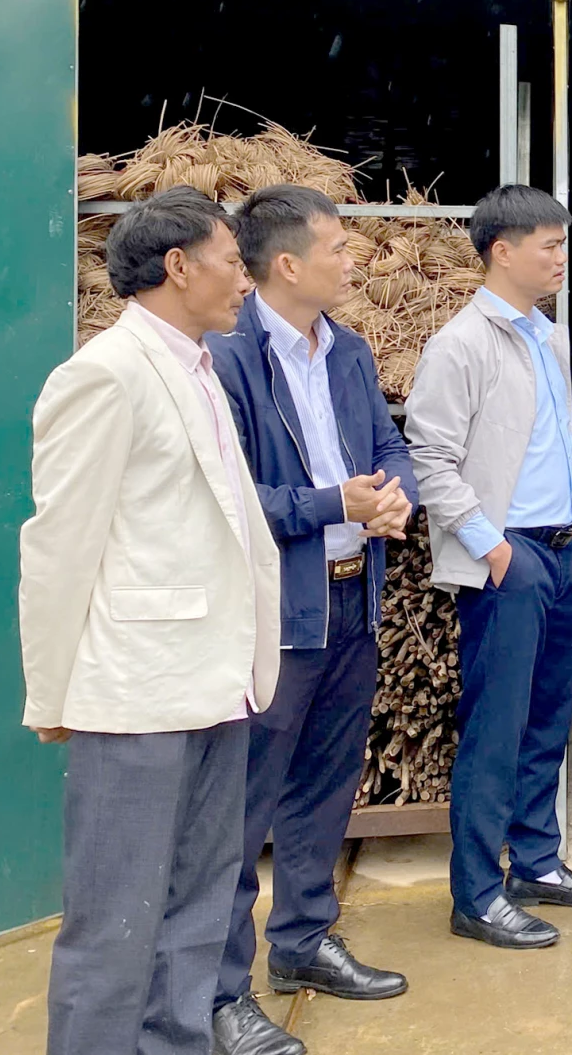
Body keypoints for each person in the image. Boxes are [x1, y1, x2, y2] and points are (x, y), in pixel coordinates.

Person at [19, 187, 281, 1055]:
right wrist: (53, 690)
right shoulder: (104, 374)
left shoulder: (200, 369)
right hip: (134, 697)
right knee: (114, 924)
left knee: (196, 912)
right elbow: (60, 547)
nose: (245, 282)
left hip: (216, 687)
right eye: (233, 263)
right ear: (178, 267)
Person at [206, 186, 419, 1055]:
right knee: (239, 808)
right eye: (337, 245)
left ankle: (301, 944)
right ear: (286, 263)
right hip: (274, 612)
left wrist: (393, 490)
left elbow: (387, 443)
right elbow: (227, 500)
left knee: (324, 786)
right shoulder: (224, 360)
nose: (352, 258)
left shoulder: (351, 351)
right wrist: (335, 499)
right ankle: (220, 993)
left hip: (349, 595)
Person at [406, 184, 572, 949]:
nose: (563, 258)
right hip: (510, 554)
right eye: (550, 245)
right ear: (502, 250)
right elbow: (428, 458)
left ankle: (536, 862)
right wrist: (492, 547)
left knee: (545, 722)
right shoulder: (460, 343)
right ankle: (476, 893)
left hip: (561, 548)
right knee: (495, 729)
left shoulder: (547, 334)